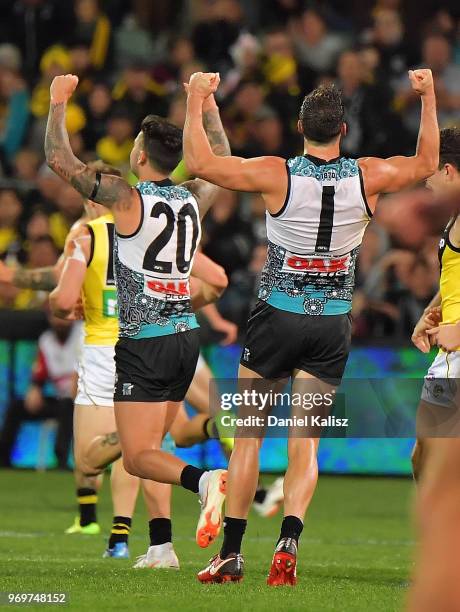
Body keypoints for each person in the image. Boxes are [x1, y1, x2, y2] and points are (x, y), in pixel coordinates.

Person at [182, 69, 438, 584]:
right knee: (307, 443)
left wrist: (195, 98)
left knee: (250, 438)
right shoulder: (368, 175)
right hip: (330, 324)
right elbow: (428, 161)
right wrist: (428, 96)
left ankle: (231, 554)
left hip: (277, 318)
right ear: (344, 131)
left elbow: (203, 163)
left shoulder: (277, 173)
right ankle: (289, 540)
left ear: (300, 126)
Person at [44, 73, 232, 550]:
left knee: (137, 457)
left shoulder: (126, 200)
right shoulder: (192, 195)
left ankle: (204, 482)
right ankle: (161, 548)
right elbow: (222, 160)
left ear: (141, 156)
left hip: (143, 341)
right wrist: (205, 104)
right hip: (186, 337)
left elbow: (58, 160)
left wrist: (58, 103)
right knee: (161, 442)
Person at [410, 127, 460, 481]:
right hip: (450, 356)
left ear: (447, 170)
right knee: (423, 457)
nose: (424, 176)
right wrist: (431, 311)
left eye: (430, 166)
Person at [0, 314, 78, 469]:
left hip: (83, 399)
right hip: (60, 398)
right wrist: (34, 389)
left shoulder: (83, 335)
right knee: (17, 407)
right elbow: (39, 375)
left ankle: (62, 461)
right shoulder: (46, 340)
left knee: (67, 405)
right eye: (56, 317)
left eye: (63, 317)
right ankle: (4, 459)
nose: (60, 322)